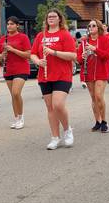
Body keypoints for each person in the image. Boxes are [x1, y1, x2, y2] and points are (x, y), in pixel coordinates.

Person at [31, 9, 77, 149]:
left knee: (58, 105)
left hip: (62, 75)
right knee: (50, 108)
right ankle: (55, 137)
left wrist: (54, 52)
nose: (50, 18)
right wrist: (38, 61)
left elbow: (73, 55)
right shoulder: (40, 36)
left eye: (54, 16)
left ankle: (67, 129)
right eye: (49, 16)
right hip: (44, 76)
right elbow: (33, 54)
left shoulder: (65, 35)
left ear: (59, 19)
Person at [77, 19, 109, 131]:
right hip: (88, 72)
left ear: (98, 28)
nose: (91, 27)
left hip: (101, 72)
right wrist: (82, 57)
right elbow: (78, 60)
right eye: (89, 26)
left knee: (98, 96)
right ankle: (97, 121)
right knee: (93, 98)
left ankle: (104, 121)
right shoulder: (83, 42)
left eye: (93, 25)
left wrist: (95, 49)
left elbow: (107, 55)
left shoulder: (104, 39)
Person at [0, 17, 32, 130]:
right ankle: (16, 118)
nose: (9, 26)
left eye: (12, 24)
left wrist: (12, 50)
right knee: (13, 95)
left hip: (21, 68)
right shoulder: (3, 39)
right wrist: (2, 55)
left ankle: (21, 117)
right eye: (8, 24)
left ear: (17, 25)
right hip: (8, 69)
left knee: (16, 93)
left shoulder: (23, 37)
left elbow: (28, 54)